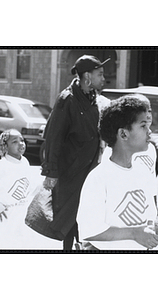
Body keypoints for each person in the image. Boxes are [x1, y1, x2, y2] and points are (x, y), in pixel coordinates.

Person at [77, 95, 158, 250]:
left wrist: (155, 231)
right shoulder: (99, 178)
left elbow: (147, 220)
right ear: (123, 134)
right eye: (143, 126)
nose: (150, 132)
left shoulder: (142, 172)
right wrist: (135, 234)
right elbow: (89, 232)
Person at [41, 55, 110, 250]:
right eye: (100, 74)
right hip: (71, 171)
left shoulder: (94, 98)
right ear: (87, 76)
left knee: (86, 215)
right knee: (70, 219)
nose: (104, 78)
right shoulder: (67, 99)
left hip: (91, 169)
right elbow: (53, 138)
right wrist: (51, 172)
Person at [0, 129, 61, 249]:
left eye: (22, 140)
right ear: (4, 146)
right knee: (2, 242)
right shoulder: (2, 166)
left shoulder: (24, 162)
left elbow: (29, 184)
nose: (21, 143)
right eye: (15, 141)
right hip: (4, 213)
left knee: (19, 242)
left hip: (21, 212)